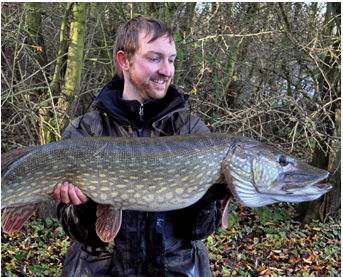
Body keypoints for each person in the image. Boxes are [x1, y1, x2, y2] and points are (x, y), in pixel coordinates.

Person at [54, 15, 226, 277]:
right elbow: (79, 233)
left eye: (171, 60)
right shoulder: (85, 131)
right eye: (155, 58)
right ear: (124, 61)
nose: (167, 71)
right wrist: (86, 203)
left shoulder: (192, 131)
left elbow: (198, 231)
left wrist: (211, 193)